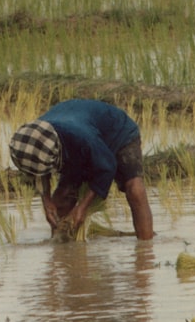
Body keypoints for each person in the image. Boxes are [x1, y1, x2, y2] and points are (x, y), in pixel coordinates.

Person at [8, 99, 154, 240]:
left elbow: (107, 166)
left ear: (56, 153)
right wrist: (46, 200)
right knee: (62, 198)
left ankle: (146, 250)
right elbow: (40, 170)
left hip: (117, 133)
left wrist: (82, 207)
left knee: (134, 189)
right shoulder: (35, 137)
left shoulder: (83, 138)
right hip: (77, 134)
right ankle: (62, 250)